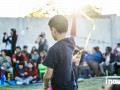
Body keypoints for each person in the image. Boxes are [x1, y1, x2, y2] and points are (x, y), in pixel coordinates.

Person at [42, 15, 77, 90]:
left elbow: (48, 75)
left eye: (50, 30)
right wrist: (74, 18)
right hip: (71, 86)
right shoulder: (71, 42)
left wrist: (45, 84)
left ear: (53, 29)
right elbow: (73, 34)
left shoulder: (54, 49)